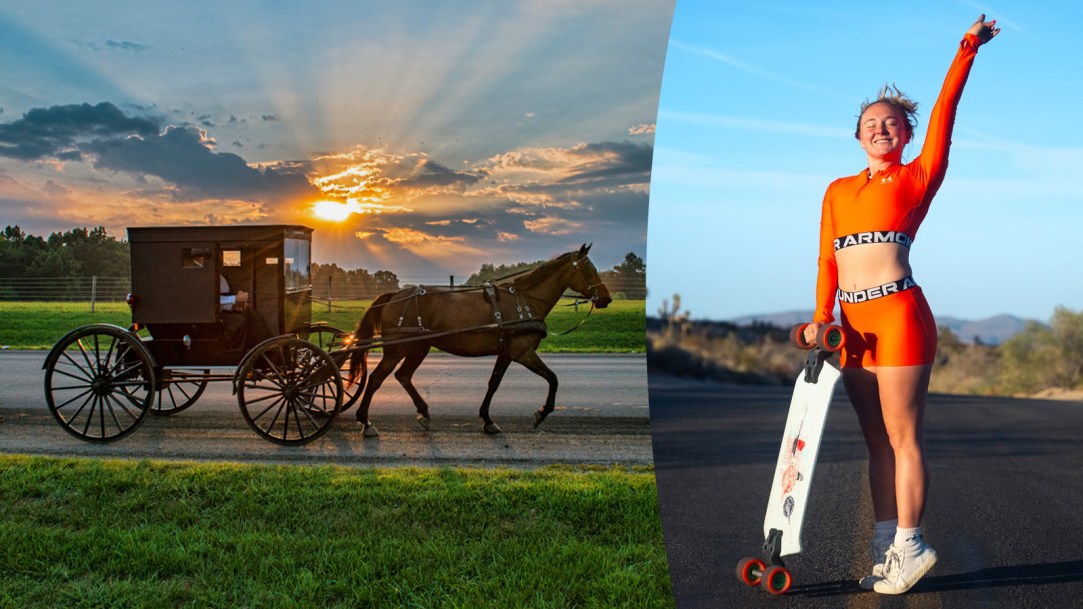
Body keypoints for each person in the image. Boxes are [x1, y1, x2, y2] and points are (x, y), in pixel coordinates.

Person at [803, 15, 999, 595]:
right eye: (870, 123)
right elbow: (827, 262)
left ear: (907, 134)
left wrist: (966, 49)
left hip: (900, 315)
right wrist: (822, 319)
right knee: (875, 443)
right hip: (853, 326)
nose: (881, 129)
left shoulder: (918, 176)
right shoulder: (838, 190)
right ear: (858, 136)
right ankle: (886, 542)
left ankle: (911, 544)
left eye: (891, 123)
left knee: (903, 435)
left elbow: (945, 111)